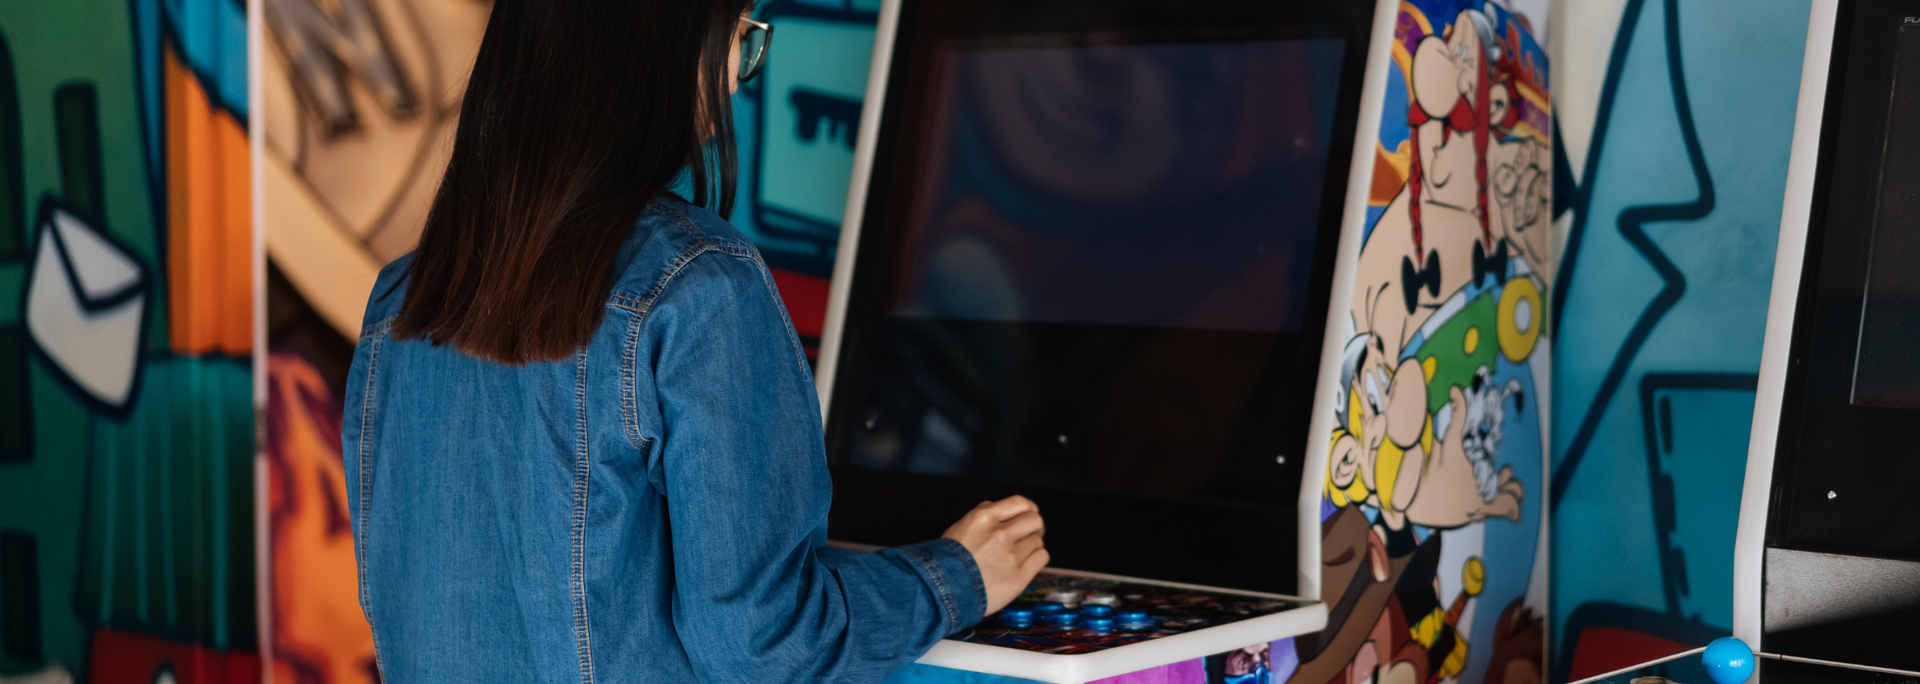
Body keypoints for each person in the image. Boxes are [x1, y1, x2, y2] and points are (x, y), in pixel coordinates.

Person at [340, 1, 1050, 681]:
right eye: (742, 31)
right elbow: (765, 642)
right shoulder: (696, 283)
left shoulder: (402, 301)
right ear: (666, 43)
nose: (742, 67)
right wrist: (955, 576)